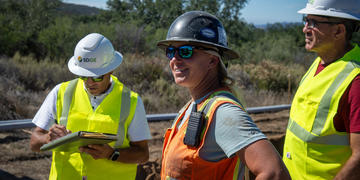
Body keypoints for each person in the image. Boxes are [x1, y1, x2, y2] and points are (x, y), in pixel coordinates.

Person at [157, 11, 291, 180]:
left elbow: (274, 173)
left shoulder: (223, 112)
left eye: (185, 51)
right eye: (171, 51)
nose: (175, 59)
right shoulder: (194, 106)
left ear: (212, 61)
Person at [30, 33, 151, 180]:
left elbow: (143, 154)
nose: (89, 82)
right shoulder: (61, 92)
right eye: (83, 76)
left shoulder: (131, 101)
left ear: (111, 70)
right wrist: (49, 139)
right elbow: (34, 142)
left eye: (97, 77)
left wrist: (112, 154)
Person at [282, 0, 360, 179]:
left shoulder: (355, 80)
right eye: (305, 21)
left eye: (313, 23)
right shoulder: (320, 62)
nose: (305, 29)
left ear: (339, 31)